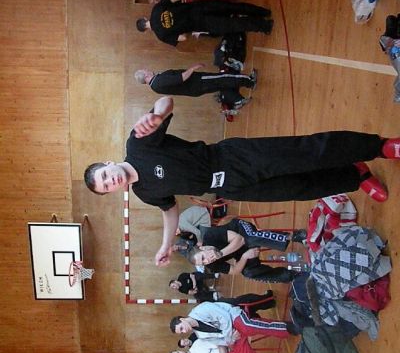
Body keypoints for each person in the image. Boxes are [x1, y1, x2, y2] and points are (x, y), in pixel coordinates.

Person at [84, 96, 400, 267]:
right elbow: (169, 210)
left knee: (305, 152)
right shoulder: (144, 192)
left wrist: (155, 114)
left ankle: (379, 147)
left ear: (109, 164)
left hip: (231, 158)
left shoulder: (138, 144)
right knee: (300, 188)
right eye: (106, 186)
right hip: (230, 188)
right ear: (113, 191)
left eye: (105, 175)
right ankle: (355, 174)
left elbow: (166, 102)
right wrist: (166, 245)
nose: (111, 181)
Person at [136, 0, 273, 47]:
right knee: (233, 7)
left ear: (146, 30)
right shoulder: (156, 9)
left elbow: (183, 38)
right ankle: (264, 12)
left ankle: (265, 26)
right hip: (200, 6)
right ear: (145, 18)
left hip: (201, 23)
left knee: (233, 24)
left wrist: (182, 27)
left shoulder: (161, 35)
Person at [169, 301, 291, 345]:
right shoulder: (200, 336)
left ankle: (286, 328)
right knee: (240, 352)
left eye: (181, 328)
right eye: (182, 332)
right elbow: (220, 342)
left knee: (246, 327)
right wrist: (231, 339)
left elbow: (224, 317)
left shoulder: (200, 310)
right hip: (232, 335)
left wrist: (229, 334)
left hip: (233, 316)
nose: (184, 331)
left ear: (182, 319)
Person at [134, 65, 255, 109]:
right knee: (223, 78)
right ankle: (250, 81)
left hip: (195, 89)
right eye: (145, 70)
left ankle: (237, 100)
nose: (148, 69)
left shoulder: (155, 87)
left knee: (221, 84)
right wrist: (192, 68)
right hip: (197, 82)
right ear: (146, 75)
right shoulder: (159, 81)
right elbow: (180, 78)